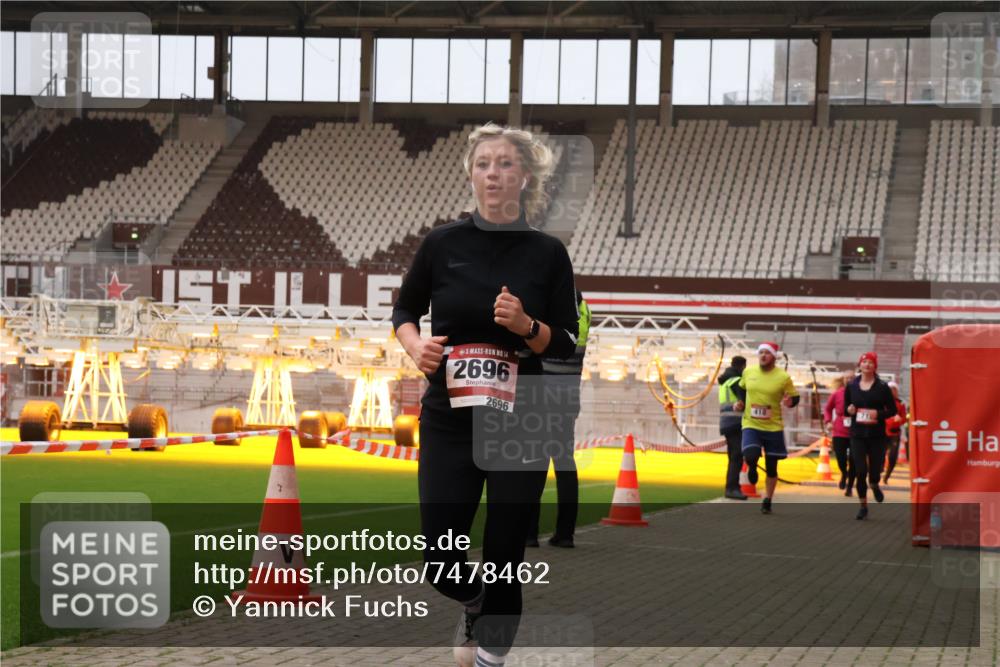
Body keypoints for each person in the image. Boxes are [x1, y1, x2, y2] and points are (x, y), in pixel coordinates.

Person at [392, 122, 579, 667]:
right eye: (483, 163)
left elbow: (566, 344)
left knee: (503, 559)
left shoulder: (548, 254)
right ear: (471, 174)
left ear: (524, 177)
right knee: (438, 557)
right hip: (449, 417)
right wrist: (414, 345)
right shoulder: (442, 243)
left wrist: (526, 326)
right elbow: (405, 310)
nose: (493, 173)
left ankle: (489, 660)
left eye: (505, 164)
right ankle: (471, 601)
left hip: (521, 422)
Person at [526, 290, 590, 548]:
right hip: (568, 397)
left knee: (532, 464)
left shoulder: (550, 313)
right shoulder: (584, 312)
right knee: (565, 464)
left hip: (541, 395)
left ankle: (529, 533)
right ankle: (565, 534)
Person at [732, 342, 800, 514]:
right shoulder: (748, 372)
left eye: (767, 353)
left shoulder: (783, 377)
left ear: (774, 356)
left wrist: (790, 402)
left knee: (772, 468)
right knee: (751, 454)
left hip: (773, 427)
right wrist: (740, 403)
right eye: (760, 352)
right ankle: (752, 467)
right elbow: (741, 389)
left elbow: (794, 397)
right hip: (751, 423)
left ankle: (768, 499)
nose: (763, 356)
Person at [844, 352, 897, 520]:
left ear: (875, 366)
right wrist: (850, 410)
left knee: (874, 470)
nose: (867, 365)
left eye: (870, 362)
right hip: (857, 434)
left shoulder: (882, 387)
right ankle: (863, 505)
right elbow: (847, 406)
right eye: (864, 362)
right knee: (860, 470)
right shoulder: (851, 385)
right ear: (860, 365)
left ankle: (874, 483)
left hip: (876, 435)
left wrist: (878, 414)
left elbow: (892, 410)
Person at [718, 355, 748, 500]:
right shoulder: (737, 381)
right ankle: (732, 488)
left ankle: (731, 487)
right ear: (742, 366)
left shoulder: (725, 381)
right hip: (736, 423)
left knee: (733, 456)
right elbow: (747, 402)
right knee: (737, 456)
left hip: (726, 423)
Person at [822, 373, 855, 496]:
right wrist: (828, 421)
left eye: (852, 378)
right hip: (839, 430)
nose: (849, 380)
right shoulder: (837, 394)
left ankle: (850, 486)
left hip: (855, 431)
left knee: (854, 460)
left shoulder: (860, 393)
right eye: (847, 378)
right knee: (840, 457)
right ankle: (844, 474)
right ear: (843, 380)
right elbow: (827, 409)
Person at [883, 381, 908, 484]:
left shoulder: (900, 403)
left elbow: (904, 418)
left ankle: (887, 476)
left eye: (894, 389)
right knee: (879, 455)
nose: (892, 391)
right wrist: (890, 420)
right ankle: (877, 471)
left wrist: (900, 420)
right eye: (890, 389)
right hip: (882, 433)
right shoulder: (881, 402)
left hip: (895, 434)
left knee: (892, 457)